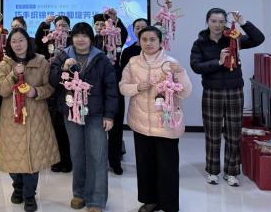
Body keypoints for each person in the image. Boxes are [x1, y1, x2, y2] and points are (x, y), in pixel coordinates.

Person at [120, 26, 192, 212]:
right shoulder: (133, 62)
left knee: (168, 166)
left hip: (166, 123)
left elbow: (185, 92)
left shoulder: (171, 63)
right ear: (139, 42)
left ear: (160, 42)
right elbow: (123, 86)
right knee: (145, 165)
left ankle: (169, 205)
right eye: (144, 39)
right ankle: (150, 200)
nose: (148, 43)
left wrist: (181, 72)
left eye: (153, 39)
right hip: (140, 122)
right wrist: (136, 87)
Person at [190, 9, 264, 187]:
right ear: (207, 22)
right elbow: (196, 66)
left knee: (233, 133)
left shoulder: (233, 38)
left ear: (226, 22)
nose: (218, 25)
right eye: (214, 21)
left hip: (234, 90)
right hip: (212, 92)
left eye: (221, 21)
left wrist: (243, 23)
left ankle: (232, 172)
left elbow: (258, 39)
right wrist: (218, 62)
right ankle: (212, 171)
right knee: (212, 133)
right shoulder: (200, 43)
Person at [49, 22, 118, 212]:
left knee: (97, 155)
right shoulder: (63, 56)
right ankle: (79, 193)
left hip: (96, 114)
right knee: (77, 154)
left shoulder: (101, 59)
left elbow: (111, 89)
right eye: (77, 35)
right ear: (72, 38)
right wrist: (64, 69)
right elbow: (52, 81)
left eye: (85, 35)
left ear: (91, 38)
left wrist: (109, 115)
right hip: (71, 113)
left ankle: (96, 200)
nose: (80, 39)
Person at [0, 27, 59, 212]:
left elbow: (50, 88)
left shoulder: (41, 62)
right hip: (11, 118)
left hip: (36, 117)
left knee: (33, 156)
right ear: (9, 44)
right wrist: (13, 74)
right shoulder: (4, 64)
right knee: (13, 155)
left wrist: (35, 91)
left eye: (21, 40)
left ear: (28, 42)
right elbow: (2, 90)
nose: (18, 44)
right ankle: (18, 187)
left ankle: (30, 195)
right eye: (14, 41)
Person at [92, 12, 130, 175]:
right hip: (95, 90)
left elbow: (124, 33)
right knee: (95, 129)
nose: (100, 27)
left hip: (114, 88)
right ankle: (97, 162)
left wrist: (115, 20)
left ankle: (115, 162)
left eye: (103, 24)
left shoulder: (116, 38)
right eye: (97, 24)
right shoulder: (90, 41)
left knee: (116, 127)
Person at [34, 14, 72, 173]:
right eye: (58, 25)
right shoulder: (49, 40)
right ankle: (56, 160)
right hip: (51, 86)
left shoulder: (72, 42)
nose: (61, 28)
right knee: (54, 126)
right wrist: (45, 24)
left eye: (64, 25)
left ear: (69, 28)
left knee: (67, 127)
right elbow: (37, 41)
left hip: (68, 88)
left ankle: (67, 160)